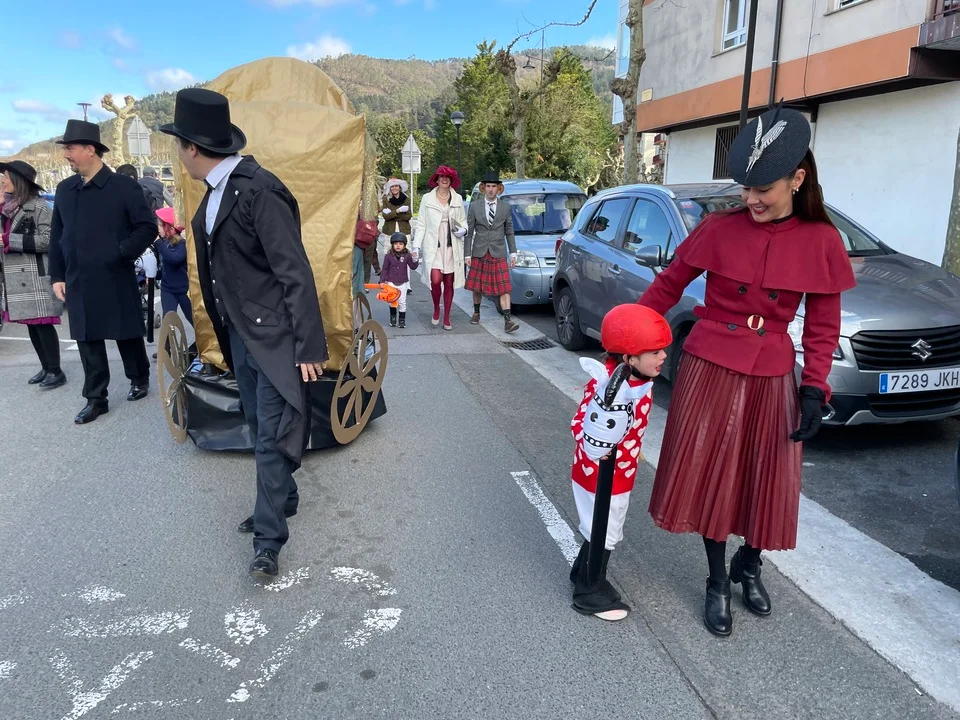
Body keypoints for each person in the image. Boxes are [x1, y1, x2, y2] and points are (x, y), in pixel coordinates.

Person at [636, 107, 856, 637]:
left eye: (763, 189)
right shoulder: (718, 228)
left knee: (766, 477)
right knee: (712, 474)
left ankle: (749, 563)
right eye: (746, 188)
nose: (751, 199)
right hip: (709, 366)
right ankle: (716, 581)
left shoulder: (822, 240)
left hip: (773, 372)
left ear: (797, 179)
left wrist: (814, 388)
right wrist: (631, 338)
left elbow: (823, 326)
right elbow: (668, 286)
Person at [161, 87, 328, 578]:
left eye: (178, 145)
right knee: (258, 425)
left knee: (271, 437)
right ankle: (284, 497)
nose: (178, 155)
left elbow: (295, 272)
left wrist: (309, 346)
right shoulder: (215, 193)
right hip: (241, 335)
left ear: (193, 148)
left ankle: (268, 541)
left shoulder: (260, 190)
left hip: (274, 337)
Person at [48, 120, 157, 425]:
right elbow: (58, 236)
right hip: (78, 277)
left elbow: (146, 227)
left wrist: (120, 253)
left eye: (70, 148)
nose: (66, 155)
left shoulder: (123, 187)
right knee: (87, 338)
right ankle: (96, 398)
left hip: (115, 273)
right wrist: (57, 275)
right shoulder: (65, 189)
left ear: (90, 150)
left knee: (126, 331)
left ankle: (139, 377)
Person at [569, 304, 670, 621]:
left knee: (601, 527)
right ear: (629, 359)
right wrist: (598, 447)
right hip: (600, 475)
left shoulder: (636, 382)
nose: (663, 356)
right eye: (655, 352)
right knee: (604, 530)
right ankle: (589, 591)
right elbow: (582, 422)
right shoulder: (611, 389)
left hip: (616, 471)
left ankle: (582, 572)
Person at [0, 160, 65, 389]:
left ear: (18, 181)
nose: (2, 181)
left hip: (36, 275)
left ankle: (55, 370)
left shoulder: (39, 207)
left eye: (6, 177)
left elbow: (49, 240)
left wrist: (10, 240)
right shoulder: (8, 208)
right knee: (32, 325)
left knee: (42, 324)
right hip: (17, 276)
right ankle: (46, 367)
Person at [411, 165, 466, 331]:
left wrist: (463, 230)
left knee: (449, 282)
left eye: (447, 177)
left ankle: (447, 316)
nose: (444, 180)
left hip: (451, 244)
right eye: (441, 177)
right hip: (433, 245)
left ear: (451, 181)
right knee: (435, 280)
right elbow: (421, 223)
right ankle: (436, 308)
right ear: (436, 180)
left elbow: (463, 221)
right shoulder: (427, 198)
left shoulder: (457, 199)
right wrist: (416, 246)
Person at [464, 170, 518, 333]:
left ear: (498, 188)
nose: (491, 189)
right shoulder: (475, 206)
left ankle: (508, 321)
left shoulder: (505, 207)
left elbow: (509, 231)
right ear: (483, 188)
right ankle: (476, 312)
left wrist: (513, 253)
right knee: (477, 286)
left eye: (494, 186)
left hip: (498, 251)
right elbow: (469, 232)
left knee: (504, 288)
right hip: (479, 251)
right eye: (488, 186)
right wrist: (467, 254)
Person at [155, 207, 193, 327]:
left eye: (160, 225)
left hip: (183, 290)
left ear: (170, 228)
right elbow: (164, 264)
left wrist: (159, 243)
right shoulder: (164, 244)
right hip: (168, 289)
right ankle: (167, 340)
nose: (158, 228)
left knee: (193, 318)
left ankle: (205, 338)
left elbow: (175, 259)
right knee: (168, 321)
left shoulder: (181, 244)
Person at [378, 232, 419, 328]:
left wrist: (415, 259)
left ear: (404, 245)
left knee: (402, 302)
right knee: (392, 300)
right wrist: (382, 281)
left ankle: (402, 319)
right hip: (391, 282)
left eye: (400, 244)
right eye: (396, 244)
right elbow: (385, 269)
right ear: (392, 244)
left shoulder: (407, 255)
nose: (398, 246)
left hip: (402, 282)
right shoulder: (388, 256)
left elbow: (412, 267)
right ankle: (393, 317)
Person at [354, 209, 379, 298]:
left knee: (367, 260)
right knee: (356, 261)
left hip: (367, 233)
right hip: (354, 235)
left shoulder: (369, 203)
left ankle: (365, 283)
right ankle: (356, 283)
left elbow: (376, 214)